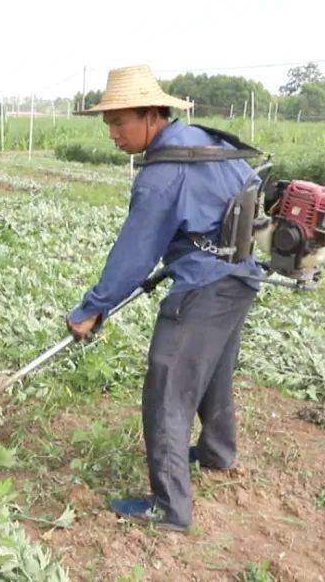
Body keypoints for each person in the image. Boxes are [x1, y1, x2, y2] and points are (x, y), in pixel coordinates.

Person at [66, 64, 262, 533]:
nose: (112, 133)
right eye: (107, 124)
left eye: (120, 122)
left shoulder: (161, 175)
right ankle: (217, 453)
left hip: (202, 288)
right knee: (213, 369)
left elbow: (134, 256)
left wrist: (92, 307)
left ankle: (170, 507)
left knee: (168, 387)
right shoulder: (213, 145)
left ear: (153, 114)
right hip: (241, 278)